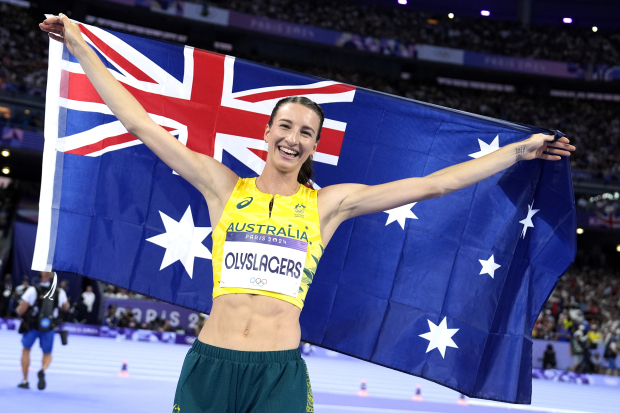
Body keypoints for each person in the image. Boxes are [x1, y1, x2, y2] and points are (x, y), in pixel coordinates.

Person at [39, 15, 575, 413]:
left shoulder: (327, 205)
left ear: (313, 146)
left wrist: (517, 152)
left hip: (278, 376)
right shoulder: (223, 188)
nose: (292, 139)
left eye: (305, 133)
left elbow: (432, 185)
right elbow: (142, 125)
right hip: (210, 364)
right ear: (266, 133)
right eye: (285, 127)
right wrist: (83, 48)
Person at [15, 271, 69, 390]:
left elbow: (21, 310)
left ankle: (25, 380)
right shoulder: (60, 292)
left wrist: (18, 309)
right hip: (49, 326)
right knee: (47, 353)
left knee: (26, 350)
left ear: (41, 276)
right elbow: (66, 307)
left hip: (33, 326)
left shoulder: (33, 290)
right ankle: (43, 369)